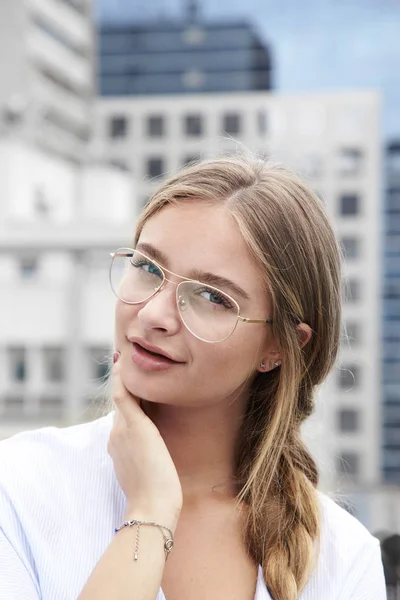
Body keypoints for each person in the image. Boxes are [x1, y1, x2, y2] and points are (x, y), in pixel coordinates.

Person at [0, 155, 386, 600]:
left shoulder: (341, 558)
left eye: (211, 297)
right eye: (147, 268)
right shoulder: (19, 487)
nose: (154, 314)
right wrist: (149, 511)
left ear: (279, 347)